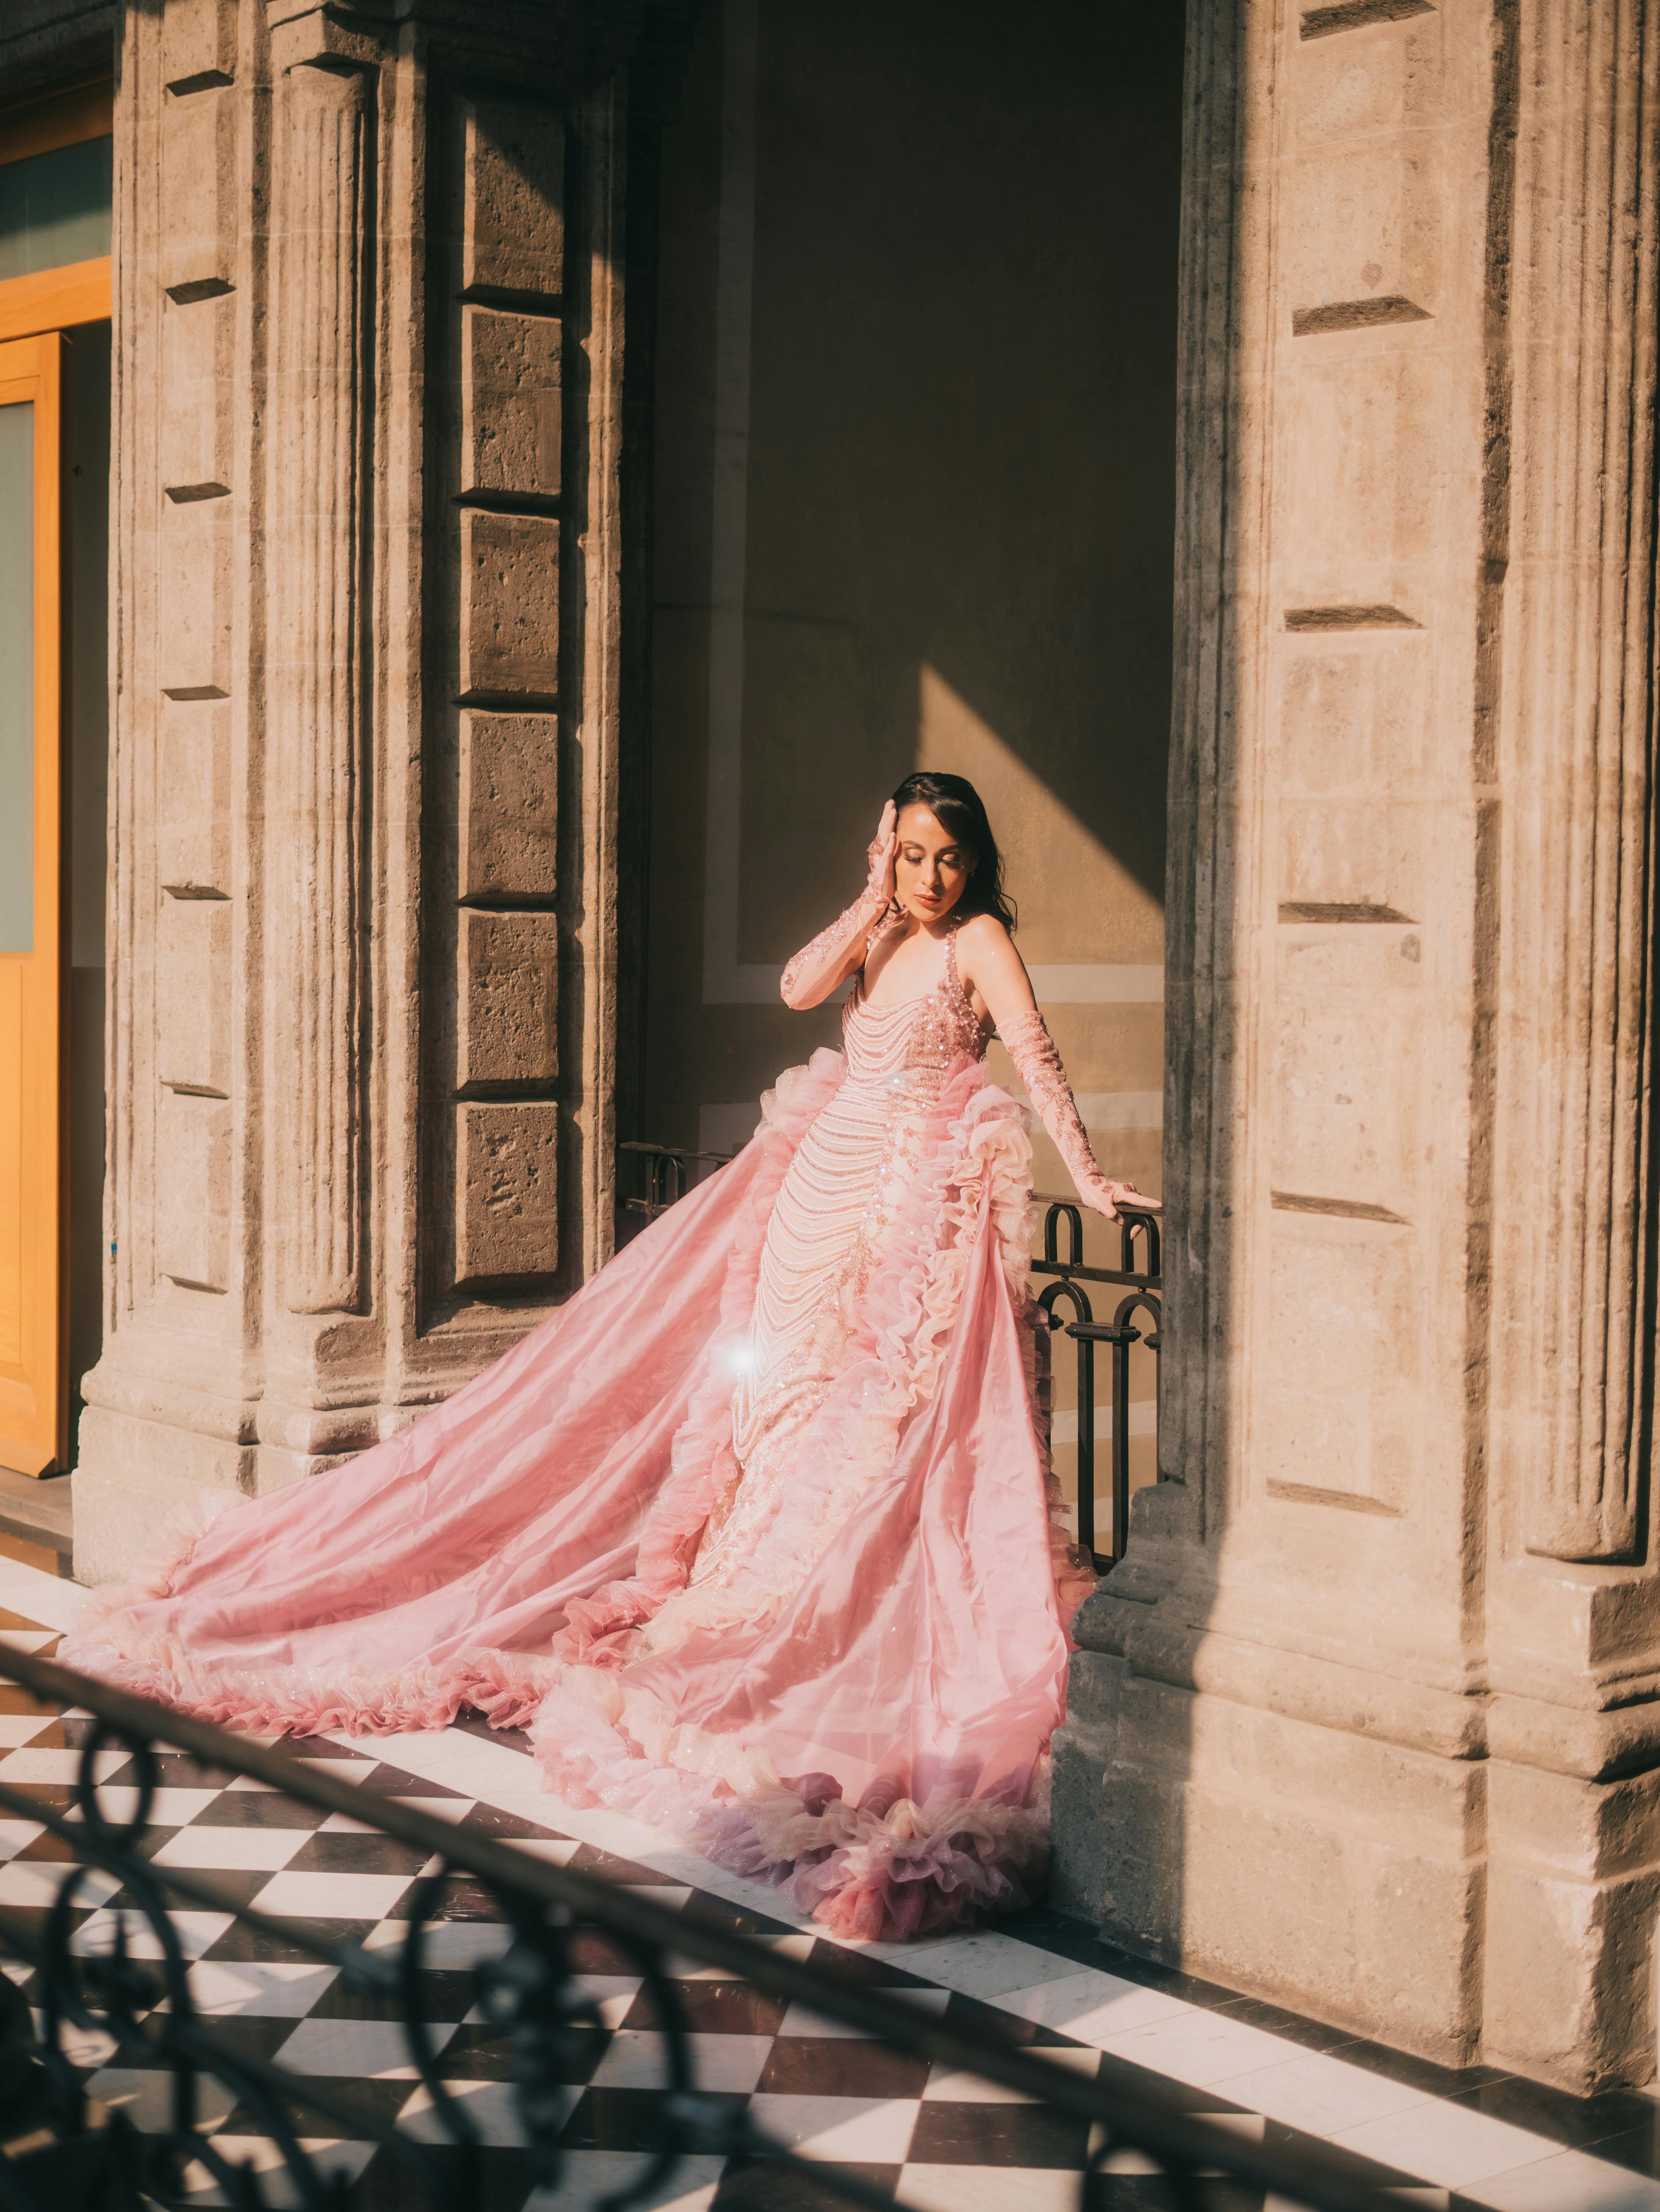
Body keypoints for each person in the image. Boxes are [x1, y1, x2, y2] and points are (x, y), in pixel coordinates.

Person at [64, 772, 1155, 1941]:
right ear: (887, 852)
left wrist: (1089, 1179)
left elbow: (1035, 1063)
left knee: (865, 1427)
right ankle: (754, 1590)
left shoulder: (981, 941)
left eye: (948, 859)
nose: (931, 877)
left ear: (977, 865)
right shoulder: (888, 927)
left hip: (902, 1211)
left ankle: (810, 1613)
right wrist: (869, 904)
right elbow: (799, 987)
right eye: (913, 854)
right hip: (812, 1199)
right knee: (774, 1412)